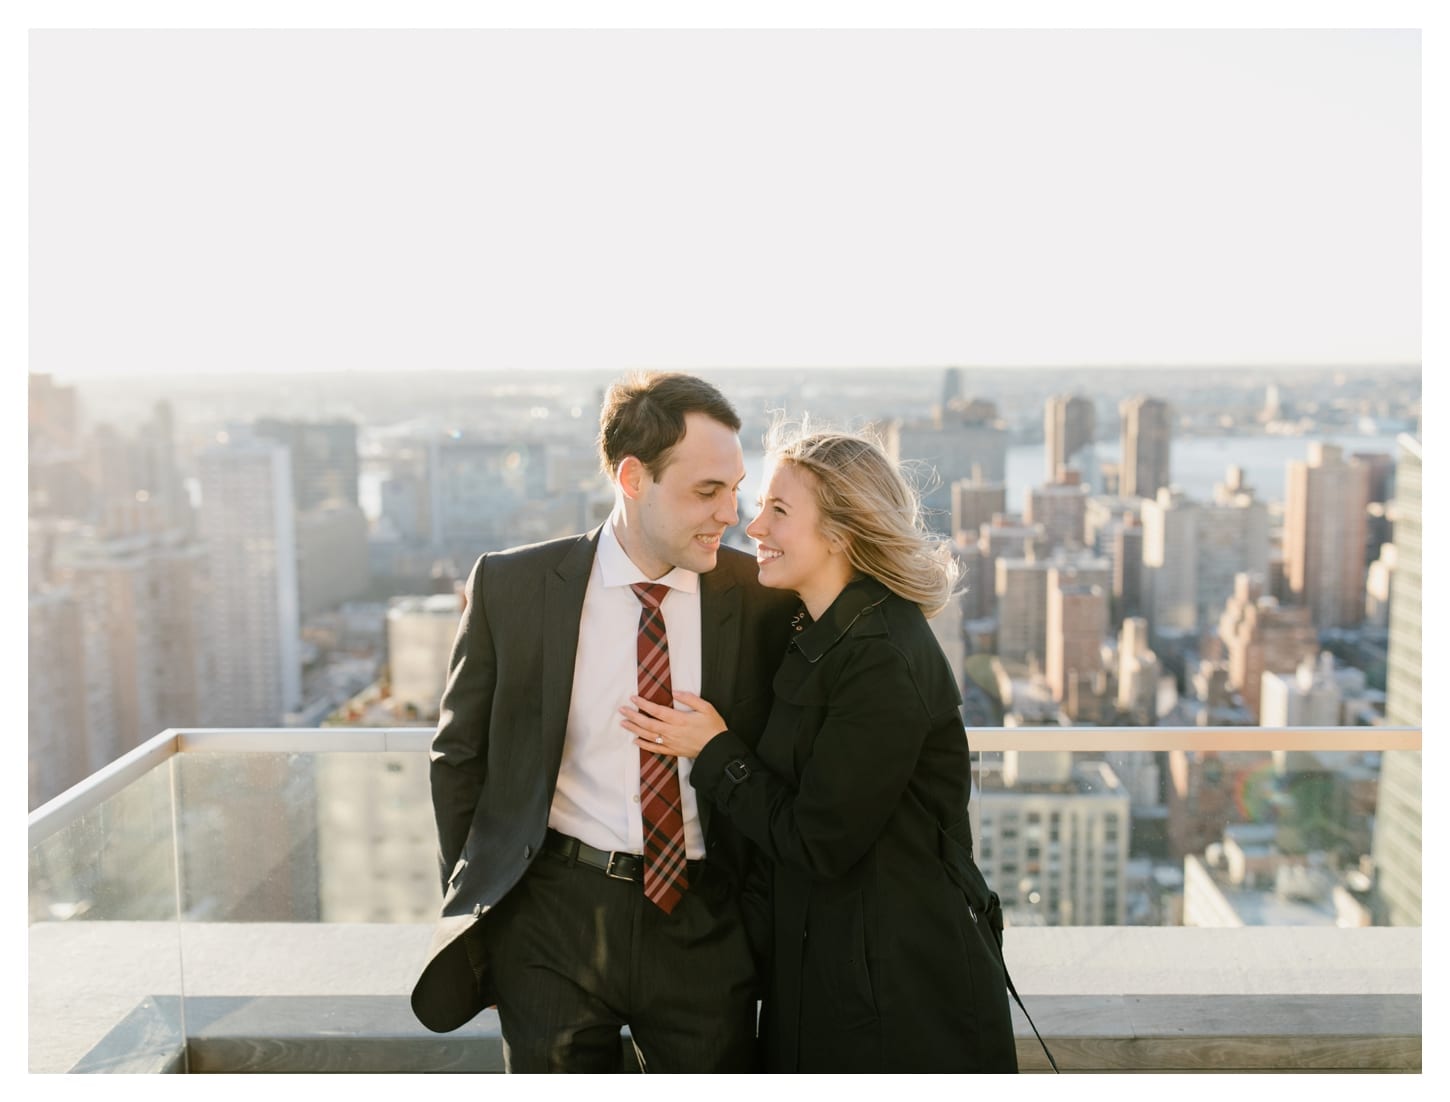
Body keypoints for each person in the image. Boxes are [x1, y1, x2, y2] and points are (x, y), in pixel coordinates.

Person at [411, 372, 796, 1072]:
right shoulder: (514, 586)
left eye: (735, 488)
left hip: (707, 922)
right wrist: (482, 922)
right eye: (707, 491)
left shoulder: (761, 600)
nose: (730, 513)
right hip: (551, 918)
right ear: (632, 477)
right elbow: (458, 760)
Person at [621, 427, 1020, 1073]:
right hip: (832, 970)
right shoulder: (823, 634)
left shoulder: (881, 657)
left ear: (841, 531)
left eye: (778, 511)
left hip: (895, 993)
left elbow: (820, 839)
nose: (753, 529)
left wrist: (715, 750)